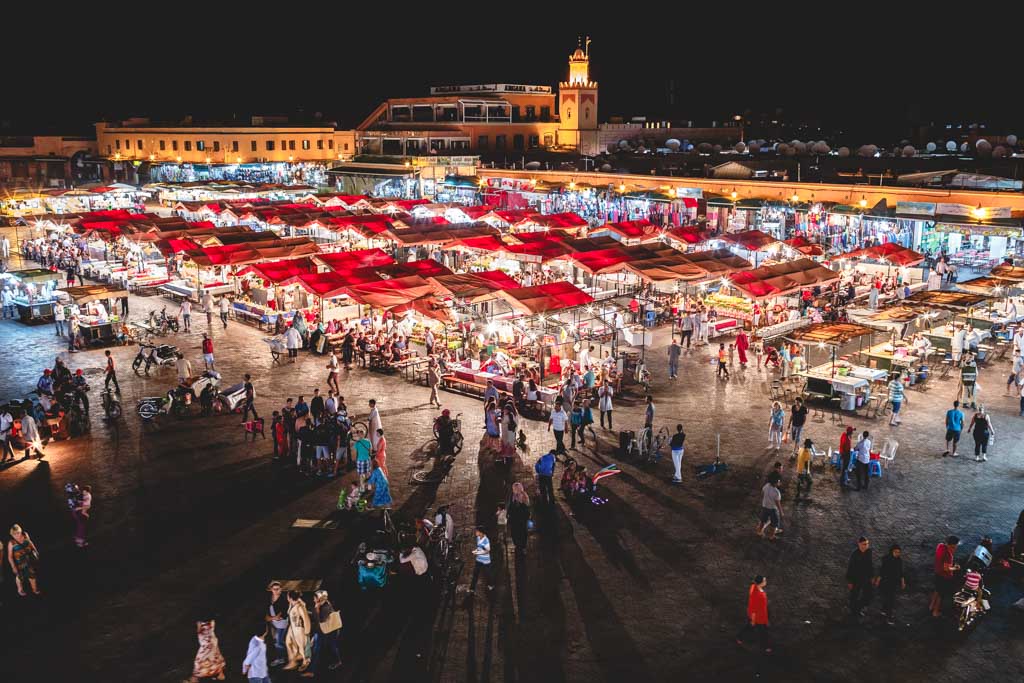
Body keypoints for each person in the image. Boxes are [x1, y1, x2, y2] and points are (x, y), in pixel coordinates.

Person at [736, 576, 772, 654]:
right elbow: (754, 609)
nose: (766, 581)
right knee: (763, 631)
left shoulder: (754, 587)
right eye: (764, 581)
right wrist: (753, 619)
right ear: (760, 583)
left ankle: (739, 637)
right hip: (758, 616)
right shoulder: (758, 594)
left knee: (750, 627)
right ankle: (766, 646)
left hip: (760, 614)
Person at [310, 590, 343, 673]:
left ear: (320, 599)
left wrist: (316, 610)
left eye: (315, 598)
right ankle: (332, 660)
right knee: (328, 646)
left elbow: (320, 621)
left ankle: (337, 661)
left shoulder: (325, 608)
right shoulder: (325, 603)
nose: (314, 600)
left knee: (332, 646)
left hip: (330, 631)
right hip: (329, 630)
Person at [930, 535, 960, 618]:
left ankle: (931, 606)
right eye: (956, 545)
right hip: (944, 577)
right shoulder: (948, 555)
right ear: (953, 545)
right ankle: (935, 612)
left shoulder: (940, 546)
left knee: (936, 590)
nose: (957, 546)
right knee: (941, 595)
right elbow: (946, 569)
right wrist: (955, 568)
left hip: (937, 573)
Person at [189, 617, 226, 682]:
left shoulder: (210, 627)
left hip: (209, 643)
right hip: (207, 644)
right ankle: (218, 673)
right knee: (207, 657)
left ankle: (218, 673)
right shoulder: (205, 628)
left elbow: (203, 632)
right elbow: (200, 632)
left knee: (212, 655)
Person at [8, 524, 41, 596]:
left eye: (18, 533)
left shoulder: (25, 535)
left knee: (31, 574)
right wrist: (13, 567)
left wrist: (36, 551)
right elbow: (10, 556)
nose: (16, 535)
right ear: (12, 534)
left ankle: (34, 589)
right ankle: (21, 589)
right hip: (20, 563)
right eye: (14, 534)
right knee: (21, 576)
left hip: (29, 558)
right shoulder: (11, 543)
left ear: (20, 531)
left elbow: (30, 542)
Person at [877, 544, 906, 626]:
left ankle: (883, 610)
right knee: (891, 600)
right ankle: (889, 617)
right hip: (886, 582)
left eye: (899, 552)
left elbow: (901, 572)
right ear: (892, 552)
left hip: (893, 583)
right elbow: (882, 571)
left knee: (888, 598)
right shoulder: (886, 559)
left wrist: (903, 582)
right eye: (896, 552)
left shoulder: (899, 560)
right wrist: (878, 580)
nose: (898, 554)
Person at [847, 537, 874, 617]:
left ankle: (858, 608)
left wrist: (872, 576)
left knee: (868, 596)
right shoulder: (854, 554)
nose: (866, 546)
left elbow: (870, 565)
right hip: (856, 578)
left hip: (866, 577)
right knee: (854, 595)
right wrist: (850, 581)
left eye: (867, 544)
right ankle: (853, 613)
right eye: (864, 544)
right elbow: (850, 568)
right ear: (859, 544)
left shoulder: (869, 552)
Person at [284, 591, 310, 671]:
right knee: (288, 642)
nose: (287, 597)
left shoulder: (299, 607)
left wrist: (307, 631)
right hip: (292, 629)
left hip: (299, 629)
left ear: (290, 598)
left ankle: (305, 662)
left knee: (301, 647)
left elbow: (306, 619)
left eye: (288, 596)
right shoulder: (292, 604)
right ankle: (293, 661)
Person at [265, 581, 289, 665]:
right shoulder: (269, 598)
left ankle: (281, 658)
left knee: (278, 642)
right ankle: (290, 652)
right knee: (278, 641)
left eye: (279, 589)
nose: (277, 591)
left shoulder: (283, 599)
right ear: (271, 589)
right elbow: (266, 611)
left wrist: (271, 618)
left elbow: (280, 616)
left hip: (281, 624)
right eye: (275, 589)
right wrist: (271, 618)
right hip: (273, 623)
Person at [468, 526, 493, 593]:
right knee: (475, 574)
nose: (476, 532)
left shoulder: (486, 540)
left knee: (488, 574)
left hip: (485, 561)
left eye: (477, 531)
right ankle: (471, 588)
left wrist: (478, 553)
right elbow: (479, 547)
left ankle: (491, 585)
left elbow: (487, 551)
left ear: (481, 532)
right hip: (478, 559)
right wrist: (475, 551)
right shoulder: (478, 538)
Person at [508, 482, 531, 551]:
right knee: (514, 533)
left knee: (522, 532)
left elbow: (526, 509)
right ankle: (518, 545)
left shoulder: (524, 496)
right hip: (514, 519)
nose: (515, 491)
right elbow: (510, 506)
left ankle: (522, 546)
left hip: (521, 519)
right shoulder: (512, 496)